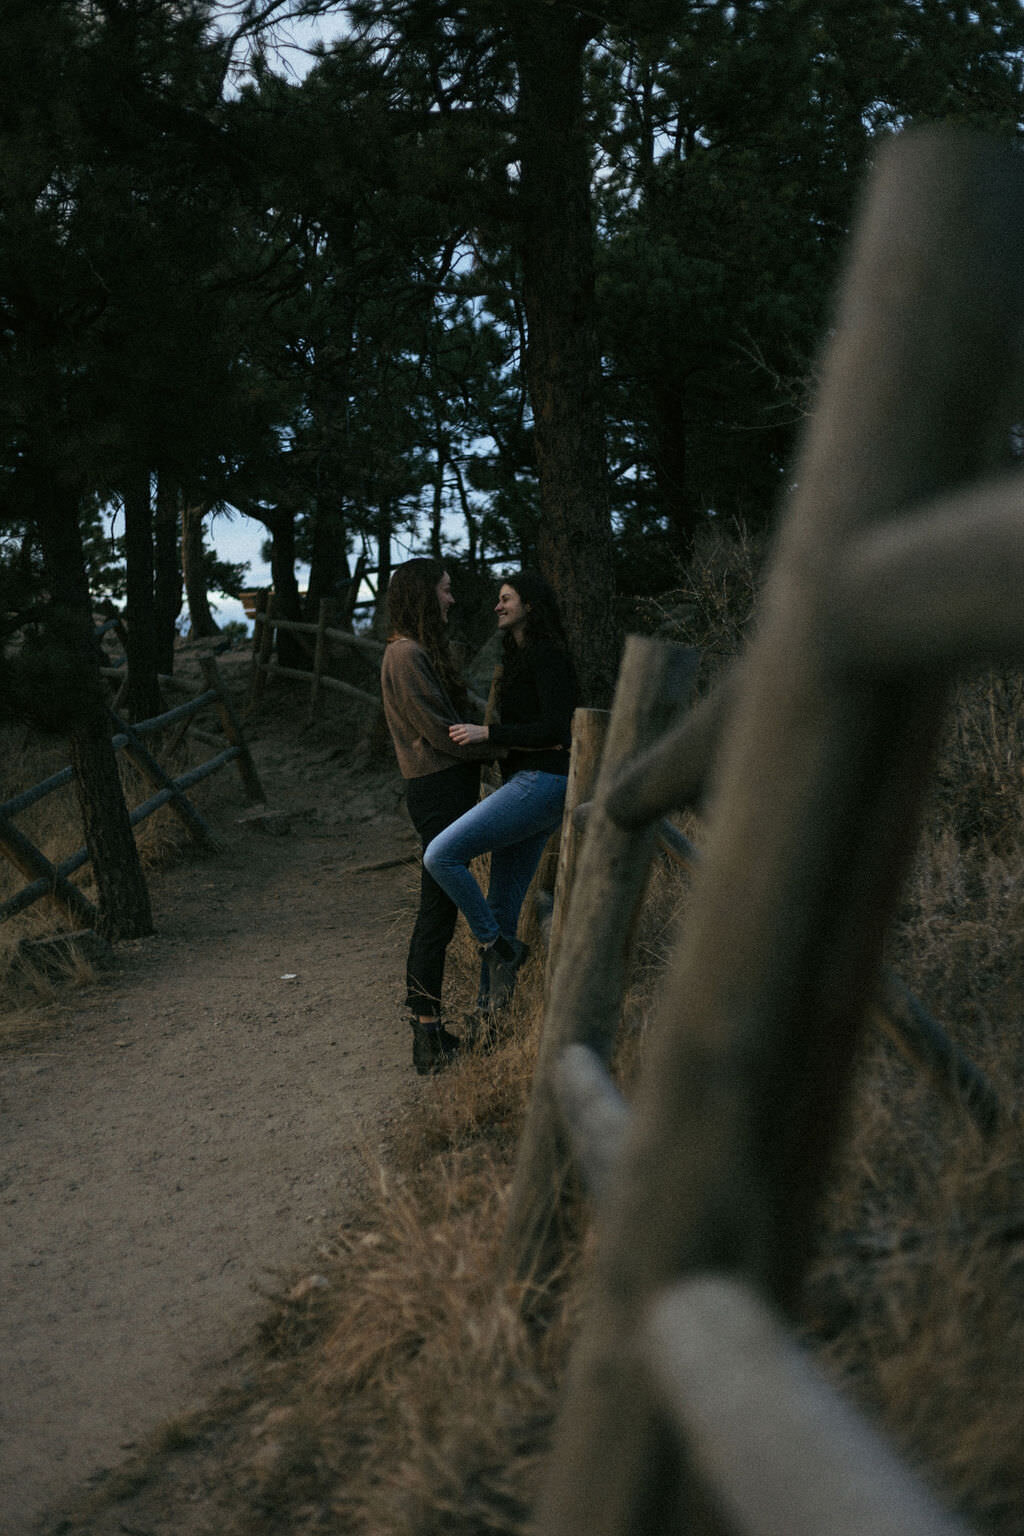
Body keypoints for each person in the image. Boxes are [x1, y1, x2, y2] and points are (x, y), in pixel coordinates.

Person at [423, 570, 578, 1020]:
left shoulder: (548, 656)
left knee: (441, 855)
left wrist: (490, 732)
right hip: (530, 781)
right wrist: (516, 741)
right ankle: (490, 1019)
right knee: (503, 903)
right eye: (498, 599)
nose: (498, 605)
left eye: (506, 598)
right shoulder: (520, 657)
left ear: (530, 605)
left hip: (542, 783)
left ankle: (498, 946)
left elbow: (557, 728)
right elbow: (540, 733)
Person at [380, 558, 496, 1075]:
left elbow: (459, 716)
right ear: (424, 595)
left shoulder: (420, 652)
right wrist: (502, 747)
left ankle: (429, 1033)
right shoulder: (404, 655)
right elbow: (438, 730)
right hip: (436, 789)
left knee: (439, 913)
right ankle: (425, 1039)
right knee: (435, 914)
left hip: (446, 787)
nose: (451, 599)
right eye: (445, 591)